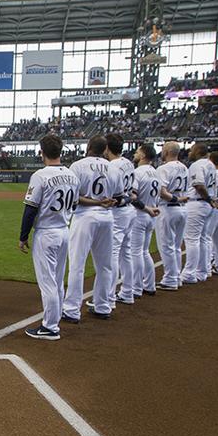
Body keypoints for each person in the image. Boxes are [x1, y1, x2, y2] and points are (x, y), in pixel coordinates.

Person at [17, 134, 78, 340]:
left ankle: (50, 327)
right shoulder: (72, 175)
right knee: (58, 280)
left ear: (41, 152)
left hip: (46, 232)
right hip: (64, 230)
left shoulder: (40, 175)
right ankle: (55, 317)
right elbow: (75, 205)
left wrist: (23, 236)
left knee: (48, 282)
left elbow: (30, 209)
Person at [62, 135, 120, 322]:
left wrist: (95, 201)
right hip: (107, 217)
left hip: (85, 216)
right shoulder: (113, 167)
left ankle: (71, 310)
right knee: (105, 265)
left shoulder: (77, 166)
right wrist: (106, 201)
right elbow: (119, 196)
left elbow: (74, 197)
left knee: (77, 265)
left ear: (88, 147)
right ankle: (103, 306)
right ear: (105, 150)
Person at [121, 143, 161, 302]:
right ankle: (149, 285)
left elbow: (134, 196)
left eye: (138, 151)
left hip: (141, 213)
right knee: (144, 251)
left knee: (135, 252)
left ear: (143, 155)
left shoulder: (138, 172)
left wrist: (146, 208)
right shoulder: (156, 172)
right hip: (152, 213)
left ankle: (136, 288)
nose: (135, 153)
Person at [103, 133, 136, 307]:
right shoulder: (128, 163)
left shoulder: (112, 165)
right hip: (129, 210)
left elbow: (110, 193)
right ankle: (127, 292)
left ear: (107, 148)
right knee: (126, 253)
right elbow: (132, 192)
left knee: (113, 255)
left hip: (117, 211)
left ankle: (108, 298)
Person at [155, 142, 189, 291]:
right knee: (175, 246)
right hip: (182, 208)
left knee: (166, 246)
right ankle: (176, 277)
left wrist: (175, 199)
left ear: (168, 151)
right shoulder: (184, 167)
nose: (161, 152)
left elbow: (162, 191)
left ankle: (170, 279)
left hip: (168, 208)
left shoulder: (163, 168)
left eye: (163, 149)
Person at [181, 143, 216, 285]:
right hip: (206, 204)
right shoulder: (210, 164)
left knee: (192, 239)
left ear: (197, 151)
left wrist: (208, 199)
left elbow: (199, 185)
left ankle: (190, 273)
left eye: (192, 149)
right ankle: (203, 270)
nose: (189, 151)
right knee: (203, 238)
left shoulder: (197, 165)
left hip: (198, 202)